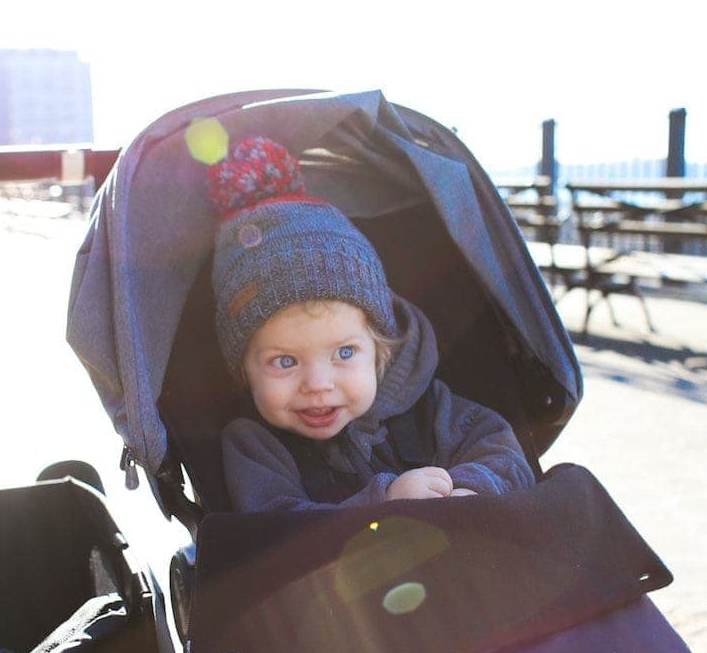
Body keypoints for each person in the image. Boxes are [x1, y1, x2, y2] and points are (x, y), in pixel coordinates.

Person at [206, 135, 536, 513]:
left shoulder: (426, 406)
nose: (318, 385)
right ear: (243, 369)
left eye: (344, 353)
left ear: (380, 348)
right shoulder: (255, 446)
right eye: (285, 361)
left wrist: (471, 488)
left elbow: (504, 454)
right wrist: (384, 504)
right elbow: (274, 534)